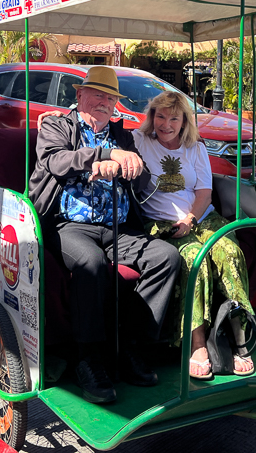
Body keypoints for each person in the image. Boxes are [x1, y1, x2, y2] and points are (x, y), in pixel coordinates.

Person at [29, 66, 180, 404]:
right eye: (97, 94)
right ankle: (88, 357)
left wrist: (134, 166)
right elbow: (56, 161)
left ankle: (131, 346)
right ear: (79, 94)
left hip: (118, 228)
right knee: (90, 263)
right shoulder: (57, 125)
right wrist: (103, 155)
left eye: (110, 97)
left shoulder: (121, 134)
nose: (104, 101)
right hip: (67, 224)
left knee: (166, 258)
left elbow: (139, 178)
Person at [132, 91, 255, 380]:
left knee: (231, 253)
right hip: (162, 223)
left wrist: (191, 218)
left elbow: (204, 192)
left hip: (199, 217)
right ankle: (196, 345)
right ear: (152, 118)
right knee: (193, 260)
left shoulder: (195, 148)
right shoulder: (139, 142)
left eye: (174, 118)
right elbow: (104, 124)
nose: (166, 124)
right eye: (160, 116)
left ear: (185, 121)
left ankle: (240, 337)